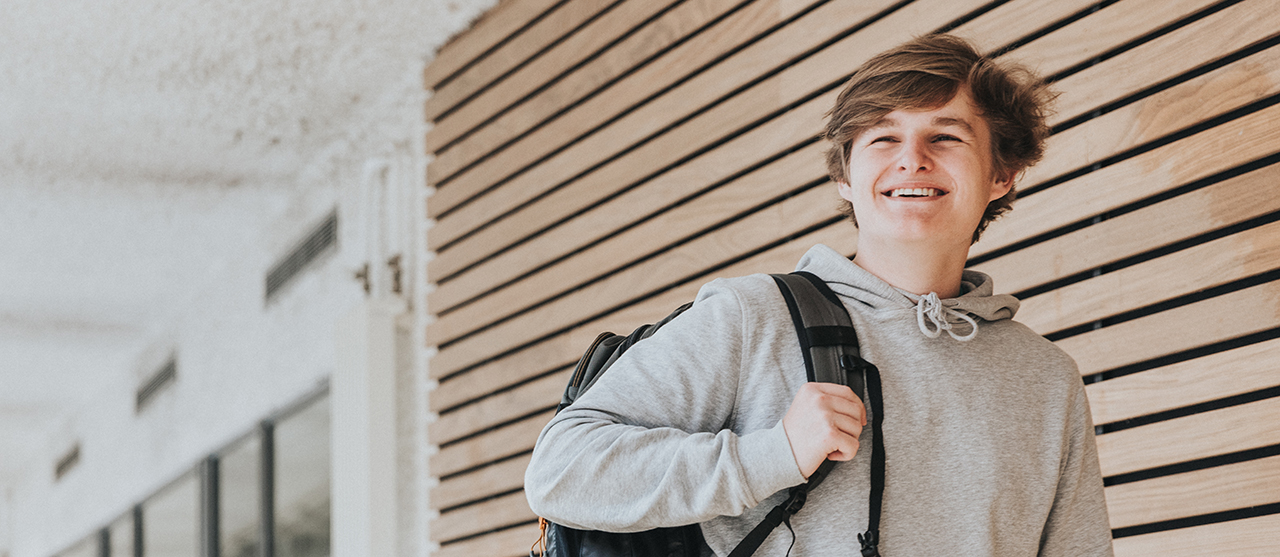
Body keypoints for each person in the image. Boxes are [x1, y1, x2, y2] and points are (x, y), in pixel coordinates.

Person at [525, 33, 1114, 556]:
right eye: (883, 138)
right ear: (844, 176)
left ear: (1002, 174)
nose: (913, 159)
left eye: (945, 136)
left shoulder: (1046, 378)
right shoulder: (754, 317)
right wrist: (771, 454)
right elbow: (562, 471)